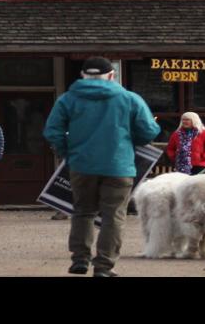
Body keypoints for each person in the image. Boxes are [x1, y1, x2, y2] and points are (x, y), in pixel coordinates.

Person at [43, 57, 160, 277]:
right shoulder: (129, 98)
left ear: (82, 75)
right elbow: (149, 131)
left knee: (83, 212)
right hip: (119, 165)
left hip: (81, 164)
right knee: (113, 215)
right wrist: (129, 139)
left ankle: (80, 258)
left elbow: (52, 131)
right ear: (111, 75)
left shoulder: (68, 99)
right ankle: (104, 265)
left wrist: (67, 152)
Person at [168, 111, 205, 175]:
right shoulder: (176, 134)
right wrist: (174, 157)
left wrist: (204, 156)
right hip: (180, 165)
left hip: (198, 165)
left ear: (194, 120)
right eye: (183, 120)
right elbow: (170, 148)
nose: (184, 122)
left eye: (187, 120)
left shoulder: (204, 133)